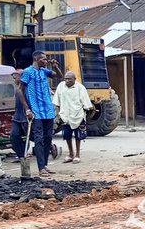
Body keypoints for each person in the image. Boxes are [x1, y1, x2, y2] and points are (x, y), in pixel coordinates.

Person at [17, 51, 61, 179]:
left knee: (48, 137)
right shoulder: (28, 72)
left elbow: (59, 76)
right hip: (36, 111)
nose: (46, 61)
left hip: (48, 110)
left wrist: (55, 67)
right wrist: (27, 109)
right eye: (43, 59)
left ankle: (45, 165)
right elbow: (21, 90)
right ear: (36, 58)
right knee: (39, 139)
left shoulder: (44, 71)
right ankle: (41, 167)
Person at [53, 70, 90, 164]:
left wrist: (84, 117)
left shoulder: (80, 88)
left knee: (78, 136)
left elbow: (86, 105)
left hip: (78, 115)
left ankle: (77, 155)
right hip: (65, 115)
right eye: (66, 79)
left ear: (74, 79)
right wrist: (57, 115)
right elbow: (57, 102)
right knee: (67, 136)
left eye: (69, 79)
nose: (67, 81)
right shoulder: (61, 86)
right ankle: (70, 154)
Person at [8, 70, 28, 161]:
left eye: (15, 77)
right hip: (17, 117)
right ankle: (21, 156)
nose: (14, 80)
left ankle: (49, 147)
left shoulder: (26, 89)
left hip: (25, 116)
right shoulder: (17, 89)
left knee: (32, 136)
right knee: (14, 136)